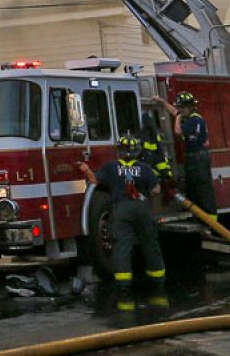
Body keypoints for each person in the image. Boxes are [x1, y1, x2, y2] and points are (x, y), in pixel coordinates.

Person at [79, 135, 165, 293]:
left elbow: (93, 181)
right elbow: (156, 190)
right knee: (150, 244)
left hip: (121, 210)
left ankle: (123, 285)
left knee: (122, 246)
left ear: (119, 151)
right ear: (137, 152)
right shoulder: (145, 168)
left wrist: (86, 169)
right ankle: (158, 280)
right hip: (142, 209)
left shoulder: (111, 167)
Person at [164, 91, 215, 213]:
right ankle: (198, 216)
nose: (180, 109)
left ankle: (210, 223)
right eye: (179, 107)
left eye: (183, 107)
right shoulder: (188, 117)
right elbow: (174, 111)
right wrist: (162, 102)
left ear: (191, 107)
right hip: (194, 159)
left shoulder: (194, 120)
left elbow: (178, 131)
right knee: (192, 189)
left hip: (198, 159)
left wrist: (177, 117)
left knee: (202, 191)